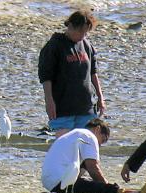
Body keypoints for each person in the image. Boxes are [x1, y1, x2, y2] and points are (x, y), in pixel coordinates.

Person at [38, 10, 106, 138]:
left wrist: (100, 97)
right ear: (70, 26)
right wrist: (49, 100)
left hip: (85, 106)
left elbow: (93, 73)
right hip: (63, 107)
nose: (83, 36)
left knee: (87, 144)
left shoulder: (86, 45)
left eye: (86, 33)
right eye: (81, 32)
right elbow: (46, 76)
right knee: (65, 147)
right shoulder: (54, 45)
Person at [42, 118, 125, 193]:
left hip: (49, 181)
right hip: (59, 181)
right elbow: (93, 168)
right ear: (97, 129)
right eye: (102, 140)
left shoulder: (75, 133)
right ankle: (117, 192)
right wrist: (107, 187)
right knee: (103, 188)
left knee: (88, 173)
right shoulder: (89, 136)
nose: (99, 145)